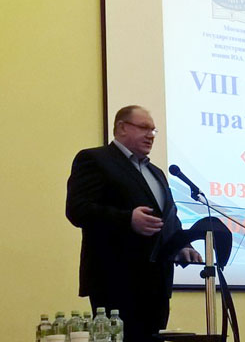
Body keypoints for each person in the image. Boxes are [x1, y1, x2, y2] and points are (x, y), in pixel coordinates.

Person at [66, 105, 201, 342]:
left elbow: (168, 218)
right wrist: (127, 219)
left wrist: (181, 245)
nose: (151, 135)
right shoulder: (95, 159)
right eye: (144, 128)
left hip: (156, 285)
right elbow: (77, 210)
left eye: (154, 130)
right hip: (115, 281)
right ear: (122, 128)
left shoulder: (156, 172)